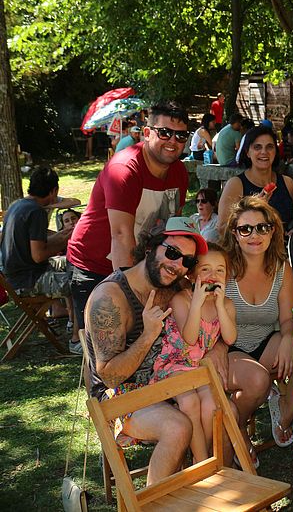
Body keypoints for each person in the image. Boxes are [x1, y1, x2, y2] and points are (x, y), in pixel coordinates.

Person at [83, 217, 208, 485]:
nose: (177, 265)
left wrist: (219, 349)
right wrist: (149, 334)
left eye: (187, 261)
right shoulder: (110, 298)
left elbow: (205, 320)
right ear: (151, 247)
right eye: (172, 253)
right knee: (178, 428)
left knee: (217, 404)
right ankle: (154, 500)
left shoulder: (172, 286)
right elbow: (109, 378)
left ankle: (207, 481)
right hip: (118, 396)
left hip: (162, 382)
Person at [67, 101, 190, 354]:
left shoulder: (179, 172)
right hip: (95, 263)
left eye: (181, 135)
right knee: (105, 354)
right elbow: (121, 236)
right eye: (164, 132)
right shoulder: (124, 168)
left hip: (140, 264)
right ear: (147, 133)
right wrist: (132, 295)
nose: (173, 141)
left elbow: (170, 233)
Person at [219, 197, 293, 455]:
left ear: (272, 230)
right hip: (229, 346)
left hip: (267, 340)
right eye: (245, 229)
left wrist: (287, 338)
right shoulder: (224, 268)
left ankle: (284, 412)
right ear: (235, 234)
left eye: (262, 227)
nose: (255, 235)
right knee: (257, 380)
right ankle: (237, 428)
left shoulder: (281, 269)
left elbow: (287, 318)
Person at [150, 243, 237, 464]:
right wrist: (197, 304)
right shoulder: (182, 301)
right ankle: (202, 462)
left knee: (210, 405)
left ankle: (203, 455)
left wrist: (219, 305)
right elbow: (189, 338)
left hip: (198, 367)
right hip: (173, 364)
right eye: (205, 269)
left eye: (220, 270)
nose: (212, 275)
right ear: (192, 275)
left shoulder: (226, 304)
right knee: (189, 402)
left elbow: (229, 339)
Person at [0, 167, 73, 303]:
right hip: (28, 281)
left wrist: (61, 235)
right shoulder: (36, 211)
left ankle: (71, 320)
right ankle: (78, 324)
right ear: (53, 191)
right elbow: (38, 255)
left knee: (73, 260)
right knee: (81, 281)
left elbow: (33, 246)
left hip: (15, 278)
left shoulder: (17, 205)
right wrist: (64, 241)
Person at [218, 125, 293, 230]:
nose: (264, 152)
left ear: (275, 151)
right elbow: (222, 228)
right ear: (248, 152)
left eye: (269, 147)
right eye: (257, 147)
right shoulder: (235, 185)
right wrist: (251, 210)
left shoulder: (288, 183)